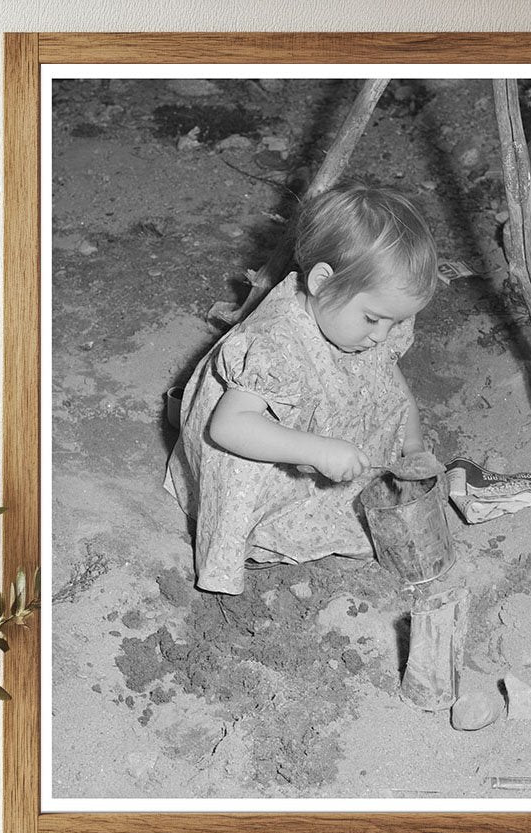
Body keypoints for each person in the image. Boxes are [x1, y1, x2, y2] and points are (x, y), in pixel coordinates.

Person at [164, 182, 438, 595]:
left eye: (395, 323)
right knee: (246, 463)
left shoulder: (362, 326)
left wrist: (412, 445)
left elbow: (389, 379)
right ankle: (257, 534)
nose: (383, 336)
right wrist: (318, 450)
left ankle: (328, 506)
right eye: (374, 319)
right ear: (323, 283)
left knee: (371, 391)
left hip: (319, 418)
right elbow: (227, 428)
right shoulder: (274, 343)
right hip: (250, 442)